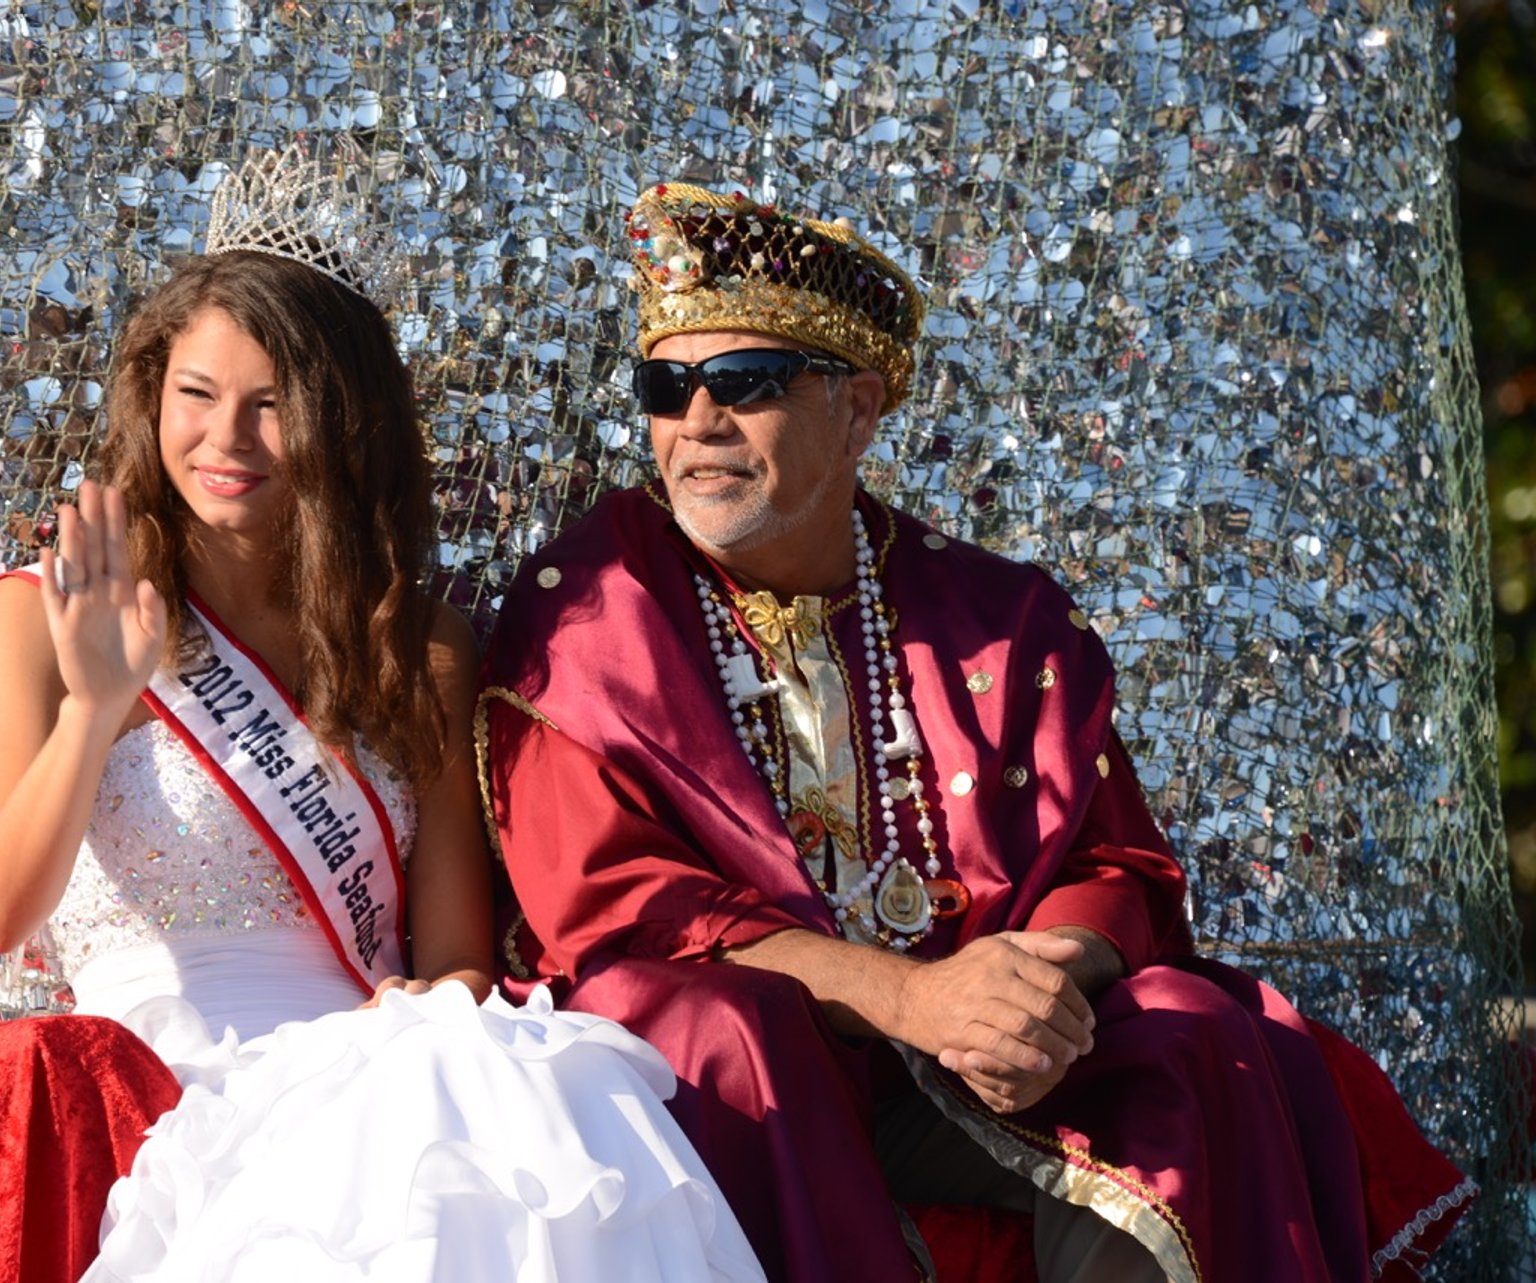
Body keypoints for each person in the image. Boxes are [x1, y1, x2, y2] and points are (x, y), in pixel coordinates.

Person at [0, 153, 764, 1283]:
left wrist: (436, 1009)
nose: (226, 440)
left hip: (366, 1064)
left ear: (342, 421)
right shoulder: (42, 614)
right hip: (158, 1063)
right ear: (151, 392)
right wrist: (97, 704)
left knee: (518, 1087)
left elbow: (459, 953)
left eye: (272, 406)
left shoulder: (417, 643)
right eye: (197, 395)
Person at [477, 179, 1476, 1283]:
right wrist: (915, 998)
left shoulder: (997, 617)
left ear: (857, 411)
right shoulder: (586, 612)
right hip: (761, 1058)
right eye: (667, 387)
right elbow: (620, 910)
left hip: (984, 1061)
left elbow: (1114, 862)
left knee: (1191, 1025)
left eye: (744, 383)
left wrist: (1037, 992)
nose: (697, 424)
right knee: (721, 1025)